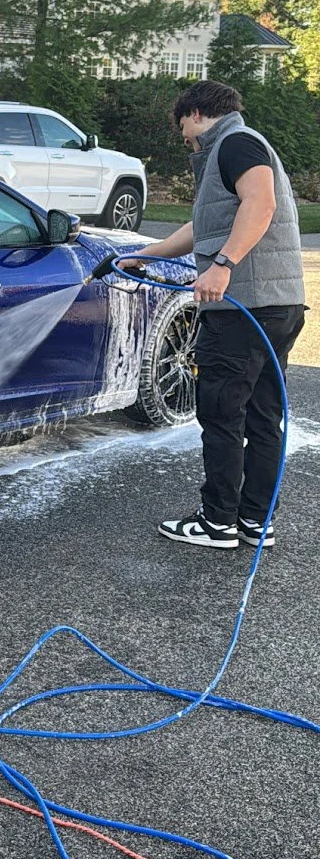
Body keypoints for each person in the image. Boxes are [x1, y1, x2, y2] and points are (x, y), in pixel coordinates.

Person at [126, 79, 306, 549]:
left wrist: (222, 266)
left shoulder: (235, 143)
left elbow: (260, 203)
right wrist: (147, 253)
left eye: (183, 126)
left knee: (224, 414)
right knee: (264, 417)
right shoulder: (235, 150)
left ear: (196, 114)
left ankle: (217, 522)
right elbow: (202, 225)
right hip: (277, 306)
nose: (184, 137)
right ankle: (255, 522)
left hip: (242, 311)